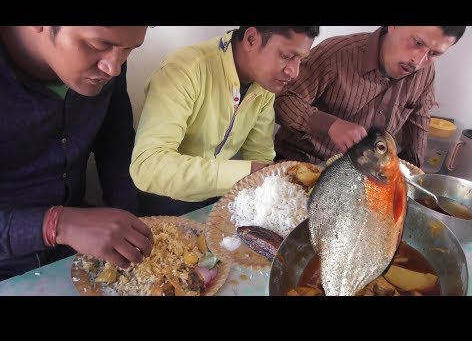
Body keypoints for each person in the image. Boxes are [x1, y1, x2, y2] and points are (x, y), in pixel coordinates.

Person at [0, 26, 154, 281]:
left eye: (128, 50)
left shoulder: (107, 63)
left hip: (75, 253)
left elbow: (115, 141)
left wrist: (129, 222)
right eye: (96, 46)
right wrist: (57, 224)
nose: (113, 68)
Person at [130, 26, 320, 216]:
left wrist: (259, 175)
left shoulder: (263, 83)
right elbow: (148, 167)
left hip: (219, 196)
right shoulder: (185, 69)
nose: (294, 72)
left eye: (300, 60)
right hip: (165, 199)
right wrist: (247, 172)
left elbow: (260, 154)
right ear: (251, 39)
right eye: (287, 56)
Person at [274, 26, 466, 167]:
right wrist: (331, 125)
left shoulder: (425, 73)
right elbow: (283, 101)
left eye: (433, 54)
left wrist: (412, 176)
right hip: (304, 164)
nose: (418, 61)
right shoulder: (337, 54)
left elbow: (418, 125)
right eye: (417, 43)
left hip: (366, 174)